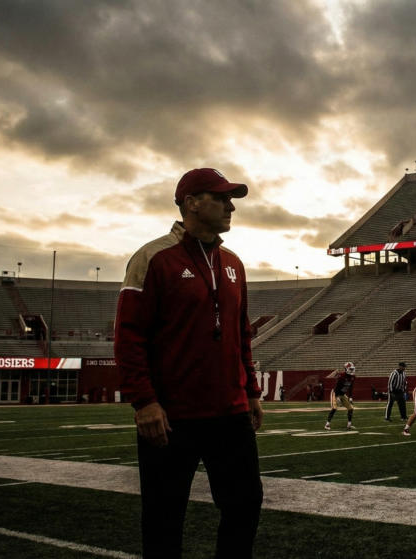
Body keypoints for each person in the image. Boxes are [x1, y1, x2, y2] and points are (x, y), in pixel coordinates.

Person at [115, 167, 262, 558]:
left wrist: (251, 390)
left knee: (245, 505)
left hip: (229, 411)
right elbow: (129, 335)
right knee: (163, 520)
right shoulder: (152, 258)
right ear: (190, 203)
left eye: (231, 198)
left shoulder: (233, 262)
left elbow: (240, 333)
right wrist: (143, 401)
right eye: (220, 198)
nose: (231, 206)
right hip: (171, 415)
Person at [325, 362, 356, 430]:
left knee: (351, 408)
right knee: (334, 408)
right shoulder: (341, 375)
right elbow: (336, 387)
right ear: (346, 369)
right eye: (350, 369)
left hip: (343, 394)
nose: (352, 371)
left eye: (352, 369)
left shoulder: (353, 377)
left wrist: (350, 397)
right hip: (336, 393)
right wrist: (336, 397)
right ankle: (327, 424)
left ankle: (349, 424)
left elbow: (351, 387)